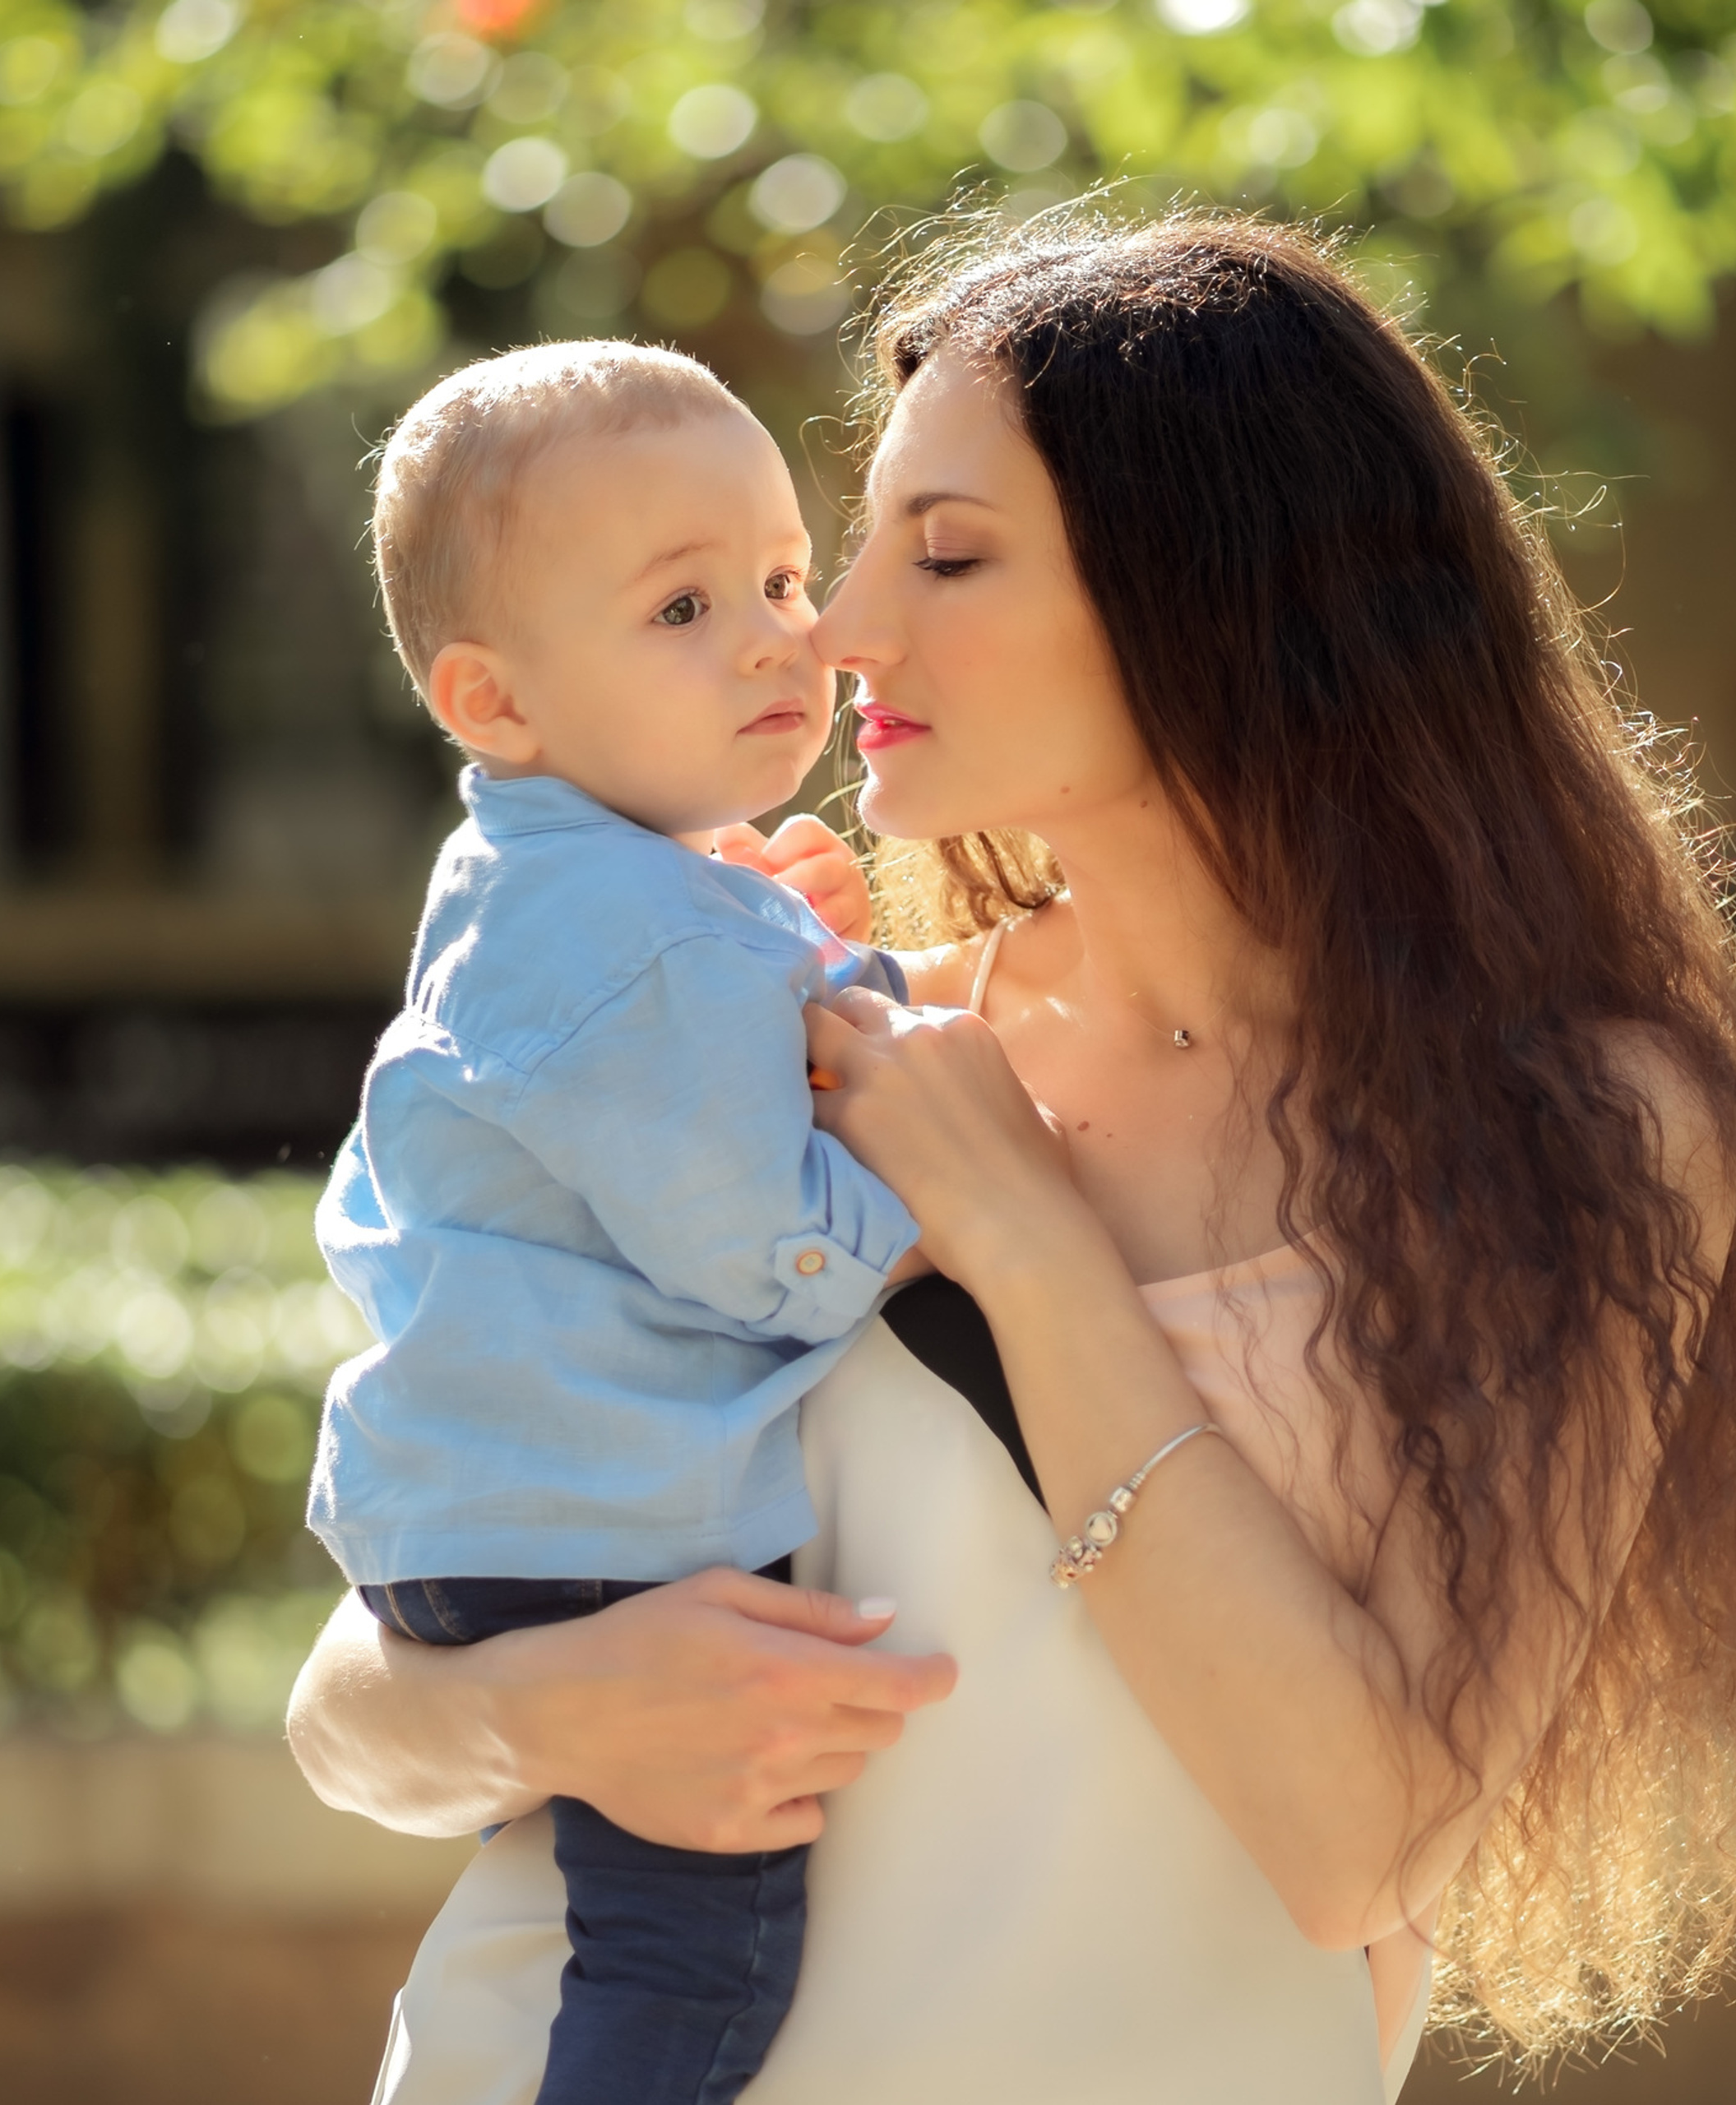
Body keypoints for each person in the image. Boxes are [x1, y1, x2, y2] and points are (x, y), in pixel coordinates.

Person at [289, 215, 1736, 2103]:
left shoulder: (1589, 1129)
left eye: (940, 553)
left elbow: (1355, 1842)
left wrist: (1018, 1234)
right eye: (858, 543)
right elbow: (358, 1700)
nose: (836, 626)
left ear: (1215, 593)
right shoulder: (802, 1045)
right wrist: (538, 1705)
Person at [312, 340, 928, 2105]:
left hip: (494, 1504)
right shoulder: (640, 935)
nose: (774, 636)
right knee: (692, 1950)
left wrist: (806, 951)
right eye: (680, 607)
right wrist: (956, 1176)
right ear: (489, 700)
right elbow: (769, 1250)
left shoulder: (577, 879)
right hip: (596, 1523)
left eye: (782, 577)